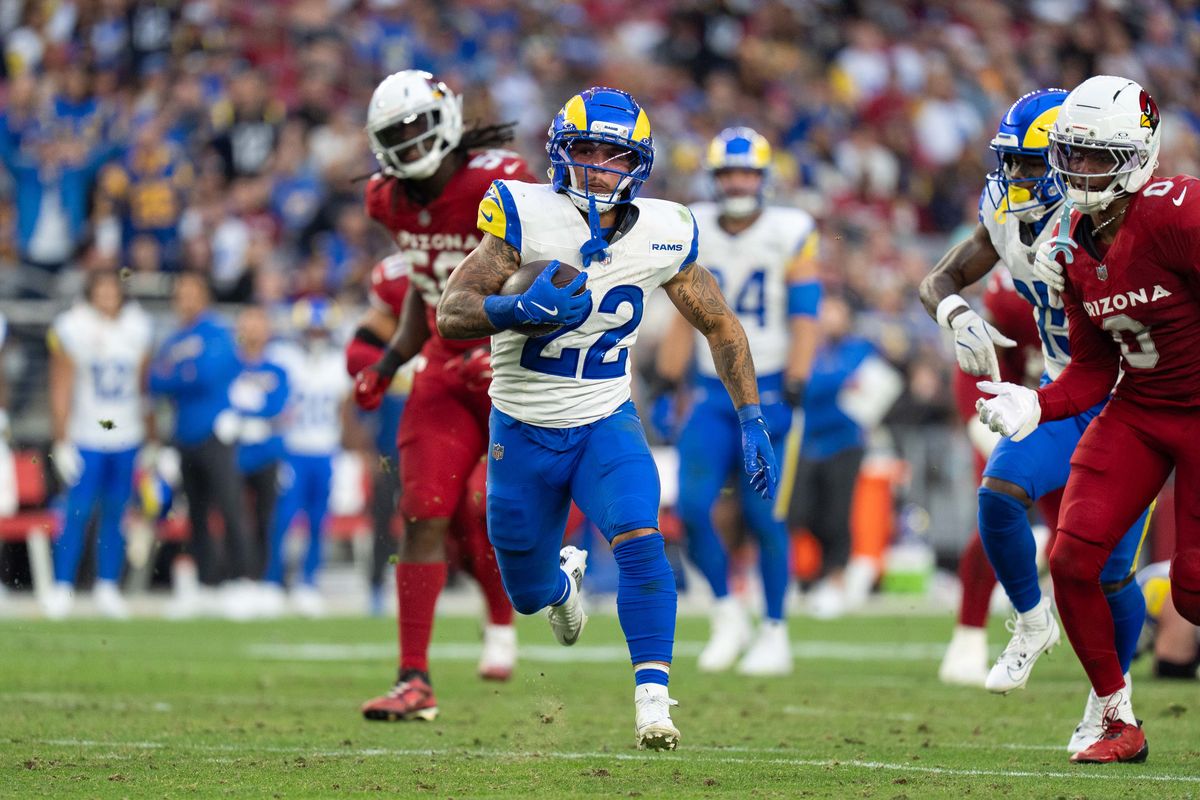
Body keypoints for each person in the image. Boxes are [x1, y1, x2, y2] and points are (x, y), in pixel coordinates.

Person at [435, 86, 779, 751]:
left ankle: (654, 703)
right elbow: (452, 313)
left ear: (638, 163)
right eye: (585, 151)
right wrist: (513, 312)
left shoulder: (664, 229)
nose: (597, 166)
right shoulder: (523, 214)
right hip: (522, 428)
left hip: (604, 420)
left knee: (641, 537)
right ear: (560, 153)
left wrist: (751, 416)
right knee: (528, 593)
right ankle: (564, 585)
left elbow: (719, 324)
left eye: (613, 155)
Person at [919, 88, 1149, 753]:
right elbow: (940, 278)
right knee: (999, 495)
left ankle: (1113, 699)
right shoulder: (1007, 211)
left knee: (1108, 576)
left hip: (1133, 403)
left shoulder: (1114, 222)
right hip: (1062, 392)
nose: (1015, 179)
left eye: (1029, 166)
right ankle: (1029, 620)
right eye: (1010, 164)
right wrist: (956, 315)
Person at [978, 75, 1198, 763]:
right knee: (1072, 558)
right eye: (1069, 153)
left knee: (1191, 592)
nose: (1076, 170)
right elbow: (1094, 369)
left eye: (1096, 156)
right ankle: (1114, 718)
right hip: (1139, 407)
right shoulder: (1069, 241)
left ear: (1137, 157)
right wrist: (1034, 403)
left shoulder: (1177, 213)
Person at [351, 70, 534, 720]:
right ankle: (414, 679)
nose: (407, 141)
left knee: (515, 517)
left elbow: (546, 270)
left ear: (447, 120)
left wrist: (502, 335)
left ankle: (551, 597)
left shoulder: (499, 179)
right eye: (394, 134)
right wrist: (390, 360)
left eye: (416, 126)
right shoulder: (387, 199)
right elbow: (425, 297)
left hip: (517, 364)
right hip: (442, 369)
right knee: (424, 509)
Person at [656, 126, 818, 675]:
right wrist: (667, 376)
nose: (737, 182)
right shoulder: (692, 225)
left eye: (746, 172)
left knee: (763, 514)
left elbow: (805, 312)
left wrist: (797, 377)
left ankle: (774, 629)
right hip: (709, 391)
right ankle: (727, 612)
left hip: (769, 387)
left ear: (764, 178)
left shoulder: (790, 230)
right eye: (728, 172)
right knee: (692, 508)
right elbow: (687, 309)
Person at [939, 268, 1052, 687]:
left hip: (1070, 417)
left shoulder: (1083, 296)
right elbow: (974, 406)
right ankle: (969, 632)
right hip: (1009, 425)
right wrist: (1014, 455)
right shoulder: (997, 320)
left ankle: (1039, 553)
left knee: (1080, 535)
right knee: (996, 517)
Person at [43, 270, 153, 619]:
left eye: (112, 289)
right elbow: (60, 385)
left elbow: (144, 387)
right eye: (100, 289)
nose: (107, 296)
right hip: (87, 433)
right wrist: (61, 439)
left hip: (127, 433)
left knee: (117, 513)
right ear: (90, 292)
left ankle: (107, 585)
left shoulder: (138, 326)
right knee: (76, 511)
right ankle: (63, 585)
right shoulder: (74, 326)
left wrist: (152, 439)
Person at [786, 294, 901, 619]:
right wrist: (833, 384)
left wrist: (820, 383)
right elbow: (804, 386)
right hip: (808, 443)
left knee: (838, 515)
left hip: (845, 443)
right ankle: (819, 574)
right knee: (799, 512)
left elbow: (827, 383)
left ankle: (834, 578)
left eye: (835, 311)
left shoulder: (858, 348)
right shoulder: (807, 348)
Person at [150, 270, 255, 619]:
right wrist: (185, 374)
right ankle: (207, 581)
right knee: (194, 511)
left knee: (229, 506)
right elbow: (154, 380)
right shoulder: (175, 336)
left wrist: (178, 374)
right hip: (184, 433)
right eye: (180, 293)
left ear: (204, 296)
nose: (185, 299)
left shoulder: (218, 331)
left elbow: (208, 372)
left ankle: (244, 580)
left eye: (191, 292)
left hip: (214, 432)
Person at [260, 298, 351, 617]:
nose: (315, 336)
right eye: (310, 330)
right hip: (293, 448)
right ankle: (273, 580)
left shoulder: (338, 362)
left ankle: (308, 582)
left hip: (324, 450)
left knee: (317, 520)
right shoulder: (284, 358)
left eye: (320, 331)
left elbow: (344, 409)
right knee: (283, 518)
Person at [230, 306, 289, 581]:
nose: (252, 332)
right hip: (233, 454)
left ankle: (265, 579)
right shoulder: (229, 365)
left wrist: (249, 415)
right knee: (234, 518)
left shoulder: (277, 368)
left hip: (267, 454)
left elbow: (279, 408)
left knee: (267, 519)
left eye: (258, 325)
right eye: (247, 325)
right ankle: (235, 576)